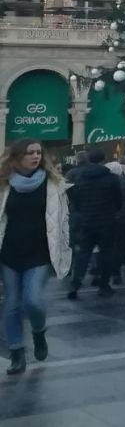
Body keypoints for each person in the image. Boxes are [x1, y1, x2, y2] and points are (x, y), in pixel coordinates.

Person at [0, 140, 72, 374]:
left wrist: (64, 248)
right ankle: (16, 354)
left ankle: (39, 333)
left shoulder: (53, 184)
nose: (35, 156)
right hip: (9, 252)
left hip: (40, 252)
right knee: (11, 304)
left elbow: (62, 221)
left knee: (32, 300)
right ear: (17, 157)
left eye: (38, 152)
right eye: (30, 153)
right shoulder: (4, 184)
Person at [64, 149, 124, 299]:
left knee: (82, 254)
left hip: (86, 220)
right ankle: (104, 285)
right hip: (107, 221)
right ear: (103, 159)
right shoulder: (111, 178)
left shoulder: (80, 178)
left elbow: (75, 200)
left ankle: (75, 284)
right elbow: (118, 200)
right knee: (106, 254)